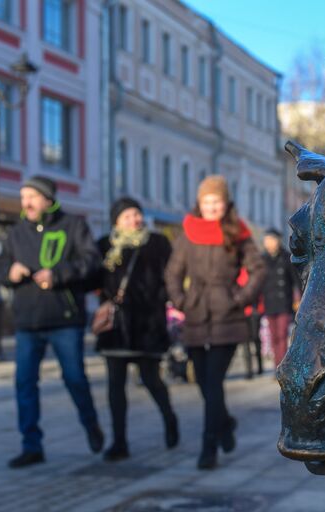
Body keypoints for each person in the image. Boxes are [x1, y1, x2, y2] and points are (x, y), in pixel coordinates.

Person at [0, 176, 104, 468]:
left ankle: (91, 424)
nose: (26, 203)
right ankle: (31, 445)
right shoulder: (16, 233)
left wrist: (59, 275)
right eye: (23, 197)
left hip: (64, 318)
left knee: (75, 378)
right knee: (25, 384)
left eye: (32, 196)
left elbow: (92, 261)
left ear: (47, 199)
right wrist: (10, 272)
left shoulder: (73, 226)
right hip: (27, 321)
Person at [165, 176, 266, 470]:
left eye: (217, 202)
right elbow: (172, 273)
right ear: (200, 203)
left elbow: (258, 270)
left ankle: (208, 447)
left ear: (225, 204)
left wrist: (239, 298)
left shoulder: (238, 232)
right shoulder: (188, 233)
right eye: (207, 202)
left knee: (214, 381)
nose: (211, 207)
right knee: (205, 384)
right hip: (195, 315)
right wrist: (182, 301)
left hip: (228, 318)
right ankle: (225, 423)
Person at [94, 197, 179, 461]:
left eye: (137, 214)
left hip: (147, 324)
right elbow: (93, 277)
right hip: (116, 327)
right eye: (128, 216)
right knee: (115, 387)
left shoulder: (157, 243)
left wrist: (161, 300)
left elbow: (171, 276)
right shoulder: (105, 246)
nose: (135, 220)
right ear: (116, 221)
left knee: (152, 380)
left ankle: (169, 419)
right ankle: (119, 442)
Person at [260, 229, 300, 368]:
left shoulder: (287, 257)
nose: (269, 243)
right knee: (273, 336)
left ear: (278, 240)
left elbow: (296, 281)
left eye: (272, 239)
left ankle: (281, 366)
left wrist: (298, 298)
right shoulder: (262, 260)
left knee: (282, 335)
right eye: (267, 240)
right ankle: (277, 365)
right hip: (268, 303)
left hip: (284, 302)